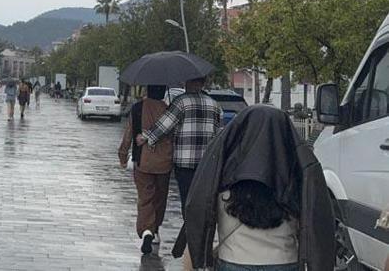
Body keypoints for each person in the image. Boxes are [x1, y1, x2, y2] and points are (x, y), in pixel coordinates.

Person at [184, 105, 335, 270]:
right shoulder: (298, 180)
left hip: (233, 262)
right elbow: (316, 229)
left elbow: (199, 218)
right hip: (284, 262)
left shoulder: (220, 177)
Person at [136, 76, 222, 212]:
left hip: (184, 162)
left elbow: (165, 125)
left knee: (187, 200)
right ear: (203, 83)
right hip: (206, 163)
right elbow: (218, 134)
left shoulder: (181, 102)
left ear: (188, 82)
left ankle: (189, 229)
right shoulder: (214, 104)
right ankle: (201, 230)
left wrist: (146, 136)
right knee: (202, 200)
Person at [118, 85, 172, 255]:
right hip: (165, 162)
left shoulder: (137, 108)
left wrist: (122, 154)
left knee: (145, 197)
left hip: (143, 161)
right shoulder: (169, 110)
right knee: (160, 196)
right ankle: (155, 229)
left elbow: (129, 134)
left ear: (148, 90)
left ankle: (146, 230)